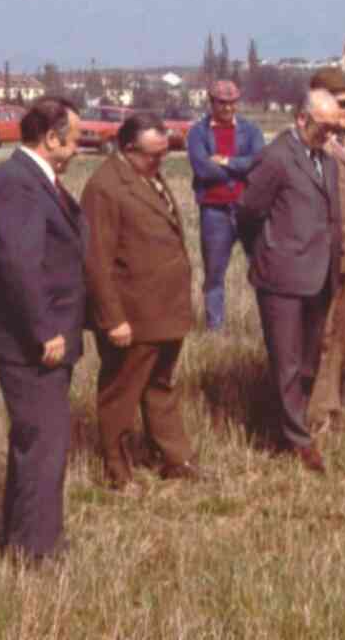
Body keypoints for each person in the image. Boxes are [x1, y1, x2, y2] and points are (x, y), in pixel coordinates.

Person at [0, 96, 84, 561]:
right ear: (51, 138)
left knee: (38, 443)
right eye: (75, 139)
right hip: (33, 345)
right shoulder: (16, 185)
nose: (79, 148)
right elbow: (18, 265)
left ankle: (23, 541)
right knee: (42, 447)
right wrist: (45, 330)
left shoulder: (37, 182)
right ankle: (36, 555)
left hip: (45, 338)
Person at [81, 113, 200, 490]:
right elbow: (95, 261)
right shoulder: (104, 188)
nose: (160, 162)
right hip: (132, 316)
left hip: (164, 311)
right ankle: (117, 471)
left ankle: (175, 460)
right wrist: (113, 319)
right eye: (153, 155)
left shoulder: (146, 174)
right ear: (127, 149)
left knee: (161, 386)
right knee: (121, 394)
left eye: (164, 154)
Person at [239, 90, 343, 473]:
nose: (330, 134)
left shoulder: (325, 160)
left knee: (308, 363)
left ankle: (288, 427)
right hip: (281, 277)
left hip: (318, 276)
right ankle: (298, 441)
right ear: (302, 119)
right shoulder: (277, 158)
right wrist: (268, 252)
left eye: (335, 128)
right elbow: (249, 211)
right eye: (324, 127)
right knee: (287, 361)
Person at [306, 68, 345, 432]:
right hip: (321, 261)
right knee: (318, 336)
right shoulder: (311, 147)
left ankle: (329, 408)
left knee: (338, 335)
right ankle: (311, 415)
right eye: (343, 104)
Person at [186, 80, 265, 331]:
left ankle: (269, 325)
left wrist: (226, 162)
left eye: (232, 103)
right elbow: (202, 167)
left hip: (247, 209)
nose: (228, 108)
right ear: (212, 102)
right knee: (214, 275)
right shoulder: (197, 132)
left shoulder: (251, 130)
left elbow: (259, 162)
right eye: (222, 103)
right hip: (214, 211)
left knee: (263, 270)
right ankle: (215, 330)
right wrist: (238, 173)